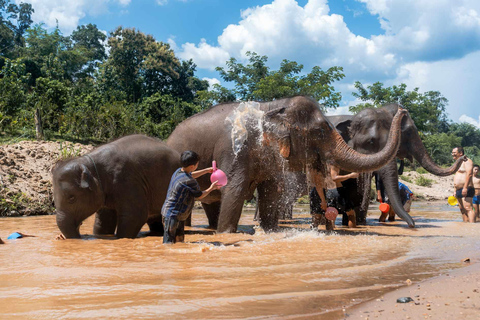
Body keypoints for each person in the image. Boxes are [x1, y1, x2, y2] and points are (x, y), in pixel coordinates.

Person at [162, 151, 220, 244]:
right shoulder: (190, 181)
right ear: (192, 166)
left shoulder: (178, 171)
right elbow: (200, 195)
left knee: (179, 241)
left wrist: (206, 171)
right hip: (172, 215)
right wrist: (211, 188)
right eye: (197, 164)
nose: (198, 165)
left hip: (175, 214)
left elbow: (191, 174)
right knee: (168, 243)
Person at [326, 165, 359, 229]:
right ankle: (354, 234)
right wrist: (351, 175)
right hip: (338, 190)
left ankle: (329, 236)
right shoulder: (334, 163)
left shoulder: (324, 163)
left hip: (329, 191)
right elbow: (334, 178)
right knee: (351, 214)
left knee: (330, 215)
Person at [452, 147, 475, 223]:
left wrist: (465, 188)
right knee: (462, 210)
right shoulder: (458, 163)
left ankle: (472, 227)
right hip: (458, 189)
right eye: (452, 152)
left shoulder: (467, 161)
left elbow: (469, 174)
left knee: (468, 208)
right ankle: (465, 226)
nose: (452, 154)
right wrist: (455, 190)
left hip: (467, 188)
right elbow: (457, 176)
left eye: (454, 152)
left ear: (461, 153)